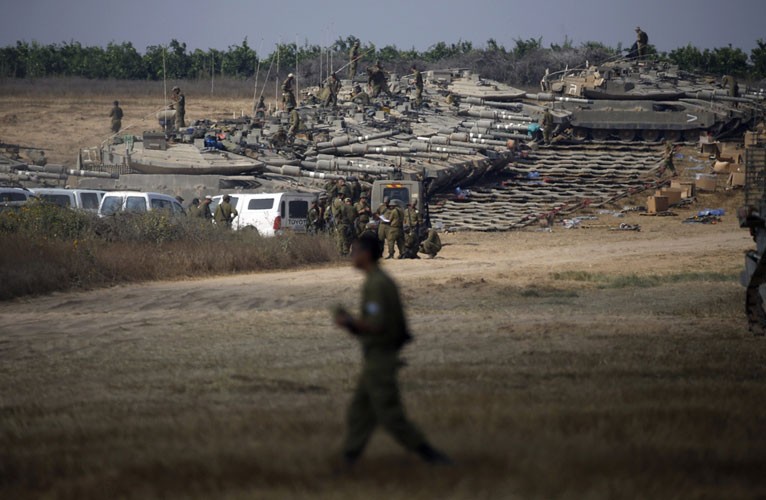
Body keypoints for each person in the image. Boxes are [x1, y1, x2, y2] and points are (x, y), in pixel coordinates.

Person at [333, 234, 452, 466]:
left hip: (381, 357)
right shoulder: (376, 280)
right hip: (376, 356)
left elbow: (377, 326)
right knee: (359, 413)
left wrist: (349, 322)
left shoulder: (377, 284)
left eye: (355, 251)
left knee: (390, 415)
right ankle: (348, 461)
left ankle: (433, 457)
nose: (351, 256)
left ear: (366, 255)